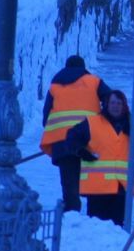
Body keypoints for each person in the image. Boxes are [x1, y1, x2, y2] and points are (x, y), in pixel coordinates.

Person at [58, 89, 134, 226]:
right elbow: (71, 139)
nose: (115, 106)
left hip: (121, 189)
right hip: (97, 190)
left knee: (118, 231)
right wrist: (81, 151)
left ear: (124, 106)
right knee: (96, 230)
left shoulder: (132, 126)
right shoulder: (92, 123)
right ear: (106, 104)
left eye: (119, 103)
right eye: (112, 103)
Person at [39, 55, 111, 212]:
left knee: (69, 184)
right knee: (92, 180)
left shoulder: (55, 86)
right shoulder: (94, 81)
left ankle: (71, 213)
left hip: (62, 143)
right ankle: (95, 217)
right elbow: (111, 100)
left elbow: (46, 117)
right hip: (88, 141)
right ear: (83, 68)